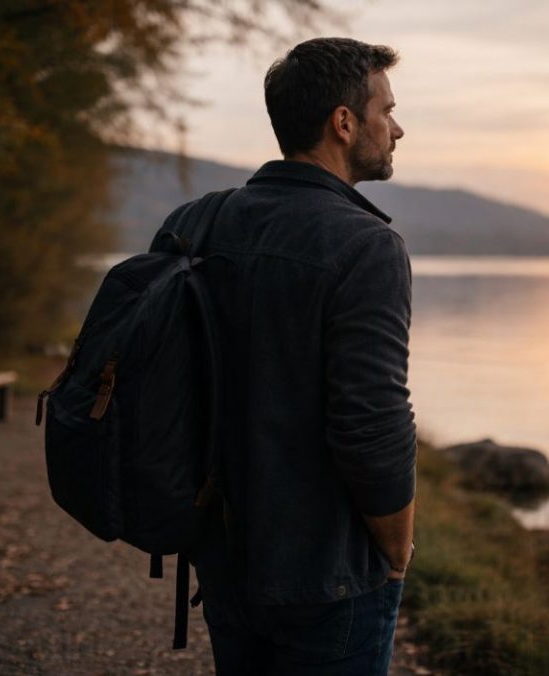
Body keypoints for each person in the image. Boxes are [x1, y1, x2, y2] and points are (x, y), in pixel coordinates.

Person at [177, 37, 417, 675]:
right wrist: (397, 550)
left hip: (224, 554)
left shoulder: (197, 223)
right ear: (344, 123)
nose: (397, 128)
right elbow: (372, 424)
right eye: (385, 110)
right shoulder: (367, 246)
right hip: (327, 574)